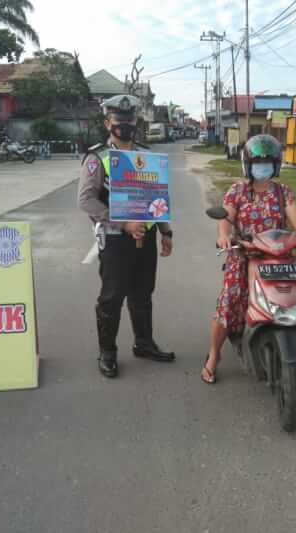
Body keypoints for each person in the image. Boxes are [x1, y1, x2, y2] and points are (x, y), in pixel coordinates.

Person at [201, 134, 296, 385]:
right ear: (247, 164)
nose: (263, 166)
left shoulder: (283, 192)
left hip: (279, 257)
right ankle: (214, 357)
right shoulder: (237, 191)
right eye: (258, 162)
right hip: (244, 256)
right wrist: (224, 237)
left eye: (268, 161)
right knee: (229, 302)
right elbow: (225, 218)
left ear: (276, 164)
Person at [78, 94, 175, 378]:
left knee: (143, 294)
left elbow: (157, 197)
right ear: (108, 122)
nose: (125, 124)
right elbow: (86, 200)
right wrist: (123, 224)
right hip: (116, 240)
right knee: (112, 297)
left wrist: (166, 231)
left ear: (137, 121)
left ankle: (143, 343)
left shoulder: (146, 155)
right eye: (119, 120)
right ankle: (107, 353)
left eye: (130, 119)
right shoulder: (97, 158)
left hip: (145, 239)